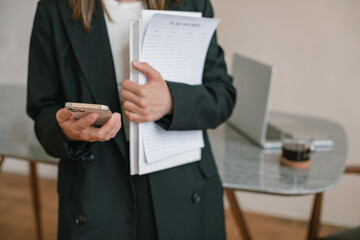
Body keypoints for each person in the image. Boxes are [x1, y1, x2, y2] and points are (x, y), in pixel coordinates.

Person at [27, 0, 236, 239]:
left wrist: (171, 101)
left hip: (181, 188)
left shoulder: (190, 3)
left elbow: (223, 96)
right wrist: (67, 133)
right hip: (96, 189)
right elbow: (42, 110)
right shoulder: (55, 7)